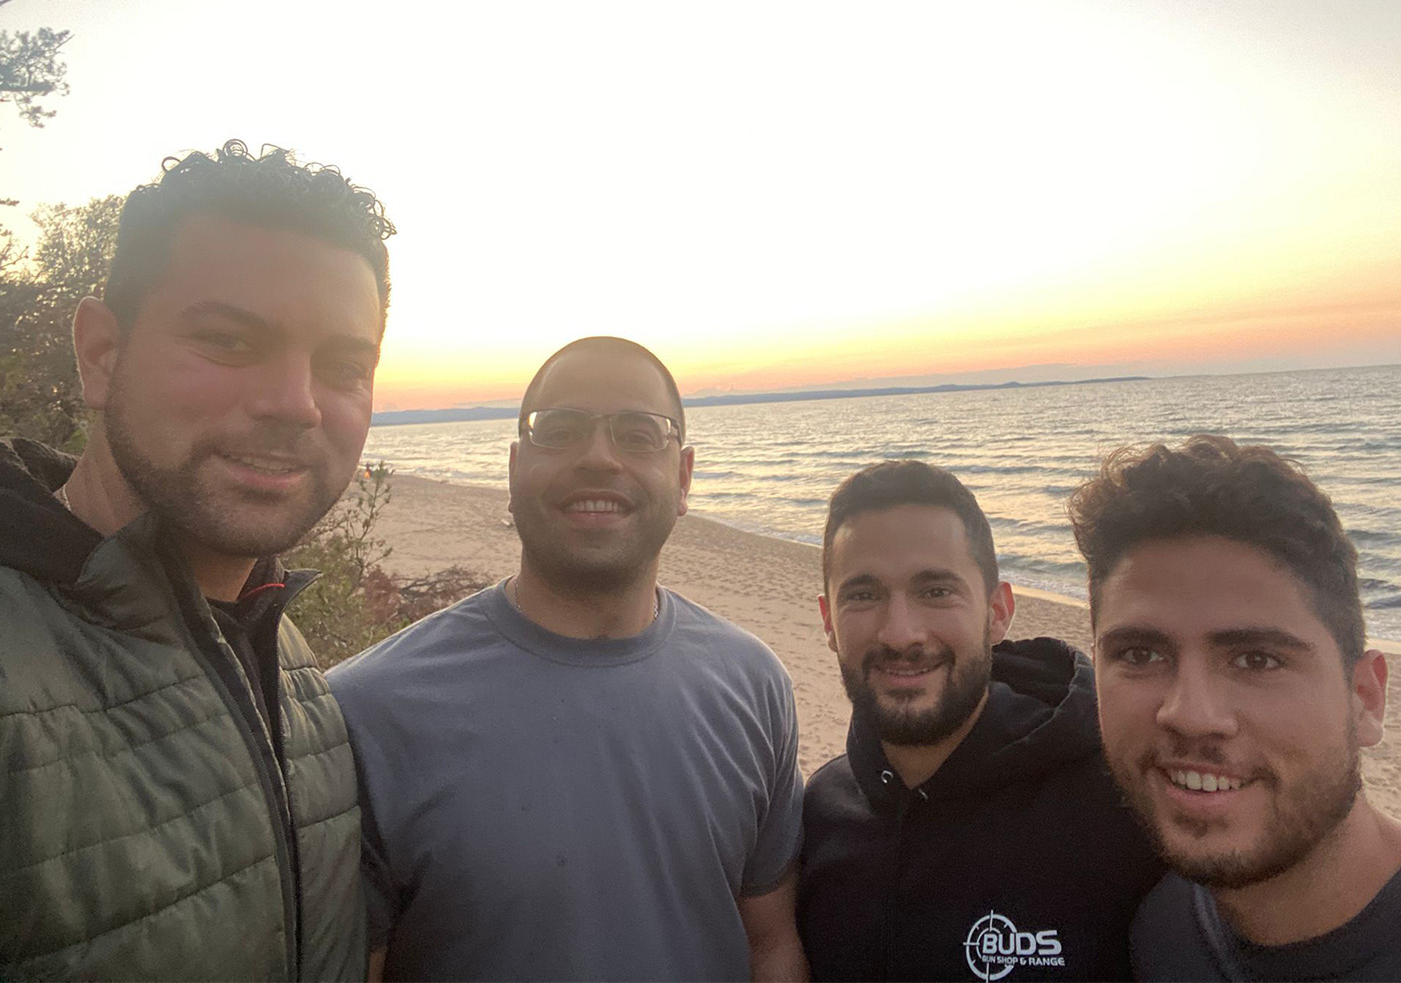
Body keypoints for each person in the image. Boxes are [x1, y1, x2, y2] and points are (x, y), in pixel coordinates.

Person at [0, 140, 394, 978]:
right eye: (227, 340)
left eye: (343, 366)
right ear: (101, 354)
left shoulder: (288, 662)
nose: (294, 403)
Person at [327, 336, 807, 981]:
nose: (598, 458)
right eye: (560, 430)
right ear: (514, 468)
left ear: (685, 477)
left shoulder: (754, 684)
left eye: (639, 433)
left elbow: (770, 945)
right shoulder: (369, 709)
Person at [1070, 434, 1401, 980]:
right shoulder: (1160, 926)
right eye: (1140, 653)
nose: (1190, 714)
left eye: (1257, 660)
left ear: (1365, 698)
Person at [798, 460, 1165, 981]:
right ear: (829, 622)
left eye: (936, 591)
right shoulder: (820, 813)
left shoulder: (1121, 805)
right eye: (863, 595)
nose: (901, 634)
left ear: (997, 612)